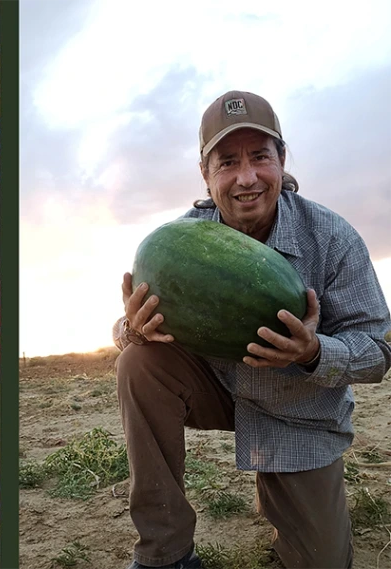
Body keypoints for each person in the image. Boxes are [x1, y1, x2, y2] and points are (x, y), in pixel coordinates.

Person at [113, 90, 391, 569]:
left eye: (260, 157)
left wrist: (313, 352)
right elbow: (127, 327)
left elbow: (378, 349)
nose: (246, 178)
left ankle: (284, 493)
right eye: (227, 162)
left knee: (323, 562)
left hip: (298, 415)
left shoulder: (332, 236)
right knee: (137, 362)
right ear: (205, 172)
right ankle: (166, 552)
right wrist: (132, 330)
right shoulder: (185, 237)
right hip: (220, 390)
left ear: (282, 161)